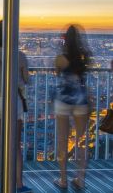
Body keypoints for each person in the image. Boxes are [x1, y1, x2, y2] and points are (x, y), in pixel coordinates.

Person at [0, 20, 31, 192]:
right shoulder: (20, 55)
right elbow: (26, 80)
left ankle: (3, 183)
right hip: (13, 102)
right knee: (15, 145)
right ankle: (18, 184)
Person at [53, 25, 91, 190]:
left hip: (63, 100)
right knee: (81, 142)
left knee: (62, 141)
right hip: (81, 99)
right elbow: (83, 74)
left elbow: (57, 72)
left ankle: (62, 179)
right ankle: (80, 179)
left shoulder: (61, 57)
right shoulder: (85, 56)